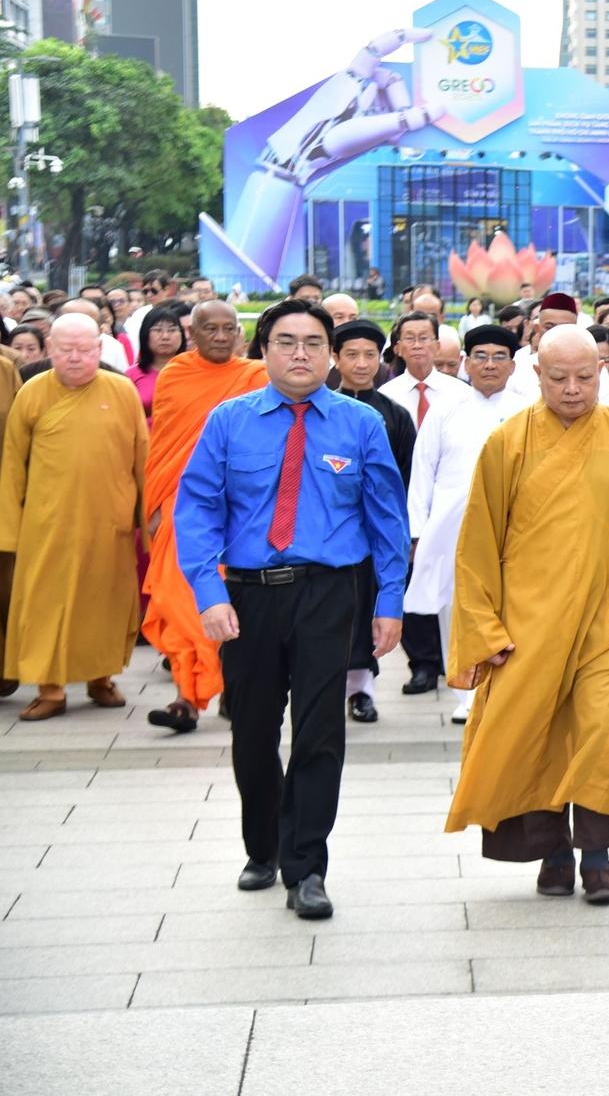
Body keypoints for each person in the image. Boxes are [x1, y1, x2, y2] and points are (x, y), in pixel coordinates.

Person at [175, 298, 408, 919]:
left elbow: (387, 518)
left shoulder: (360, 425)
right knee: (251, 732)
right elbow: (195, 509)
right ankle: (264, 846)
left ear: (331, 354)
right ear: (265, 350)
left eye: (312, 342)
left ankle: (307, 866)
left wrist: (389, 601)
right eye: (285, 341)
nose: (299, 353)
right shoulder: (229, 420)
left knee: (319, 732)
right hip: (247, 595)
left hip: (329, 594)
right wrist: (209, 593)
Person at [444, 325, 609, 904]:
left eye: (585, 377)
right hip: (529, 624)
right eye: (559, 378)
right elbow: (476, 547)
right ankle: (551, 852)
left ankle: (597, 856)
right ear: (536, 376)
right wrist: (483, 631)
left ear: (601, 373)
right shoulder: (508, 443)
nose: (573, 389)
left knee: (601, 732)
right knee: (538, 735)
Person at [0, 314, 148, 720]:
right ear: (50, 350)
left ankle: (101, 679)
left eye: (85, 350)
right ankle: (50, 690)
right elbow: (13, 464)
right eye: (66, 350)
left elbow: (142, 460)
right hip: (46, 523)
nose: (76, 359)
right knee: (45, 606)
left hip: (109, 521)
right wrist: (9, 530)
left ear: (100, 351)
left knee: (104, 604)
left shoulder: (121, 390)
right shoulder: (32, 392)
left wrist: (145, 520)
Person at [142, 301, 271, 733]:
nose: (219, 336)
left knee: (228, 602)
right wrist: (157, 506)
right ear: (190, 334)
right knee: (181, 602)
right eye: (208, 328)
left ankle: (220, 690)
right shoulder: (175, 375)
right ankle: (187, 697)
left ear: (239, 334)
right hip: (182, 505)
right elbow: (162, 445)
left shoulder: (255, 376)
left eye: (227, 328)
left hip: (238, 507)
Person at [406, 324, 532, 726]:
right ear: (465, 362)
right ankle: (465, 692)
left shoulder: (530, 411)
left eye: (499, 357)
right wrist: (417, 531)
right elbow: (422, 471)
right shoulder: (446, 409)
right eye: (480, 356)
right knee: (456, 608)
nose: (489, 365)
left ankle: (507, 690)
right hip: (453, 527)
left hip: (517, 531)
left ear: (513, 366)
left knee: (511, 606)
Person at [380, 310, 474, 696]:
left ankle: (457, 657)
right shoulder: (384, 397)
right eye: (410, 338)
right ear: (398, 346)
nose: (418, 345)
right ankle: (422, 664)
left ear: (438, 345)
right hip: (399, 500)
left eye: (425, 338)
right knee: (410, 578)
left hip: (451, 502)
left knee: (454, 583)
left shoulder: (461, 394)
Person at [328, 321, 417, 723]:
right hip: (333, 532)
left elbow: (404, 476)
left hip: (375, 534)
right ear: (335, 358)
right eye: (351, 354)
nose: (361, 364)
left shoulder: (394, 415)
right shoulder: (322, 410)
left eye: (369, 355)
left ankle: (361, 691)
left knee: (369, 608)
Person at [128, 302, 189, 419]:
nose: (165, 336)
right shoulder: (131, 375)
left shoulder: (193, 370)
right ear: (145, 335)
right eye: (158, 330)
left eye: (172, 330)